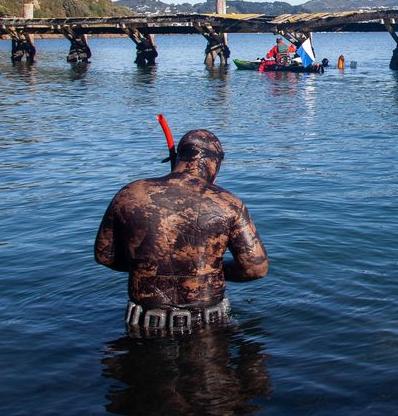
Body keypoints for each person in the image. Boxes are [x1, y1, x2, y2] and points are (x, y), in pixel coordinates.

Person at [95, 129, 268, 334]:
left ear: (177, 157)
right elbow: (255, 268)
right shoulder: (229, 204)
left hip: (143, 324)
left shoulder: (130, 194)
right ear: (216, 162)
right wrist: (206, 270)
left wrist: (147, 267)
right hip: (206, 325)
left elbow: (104, 256)